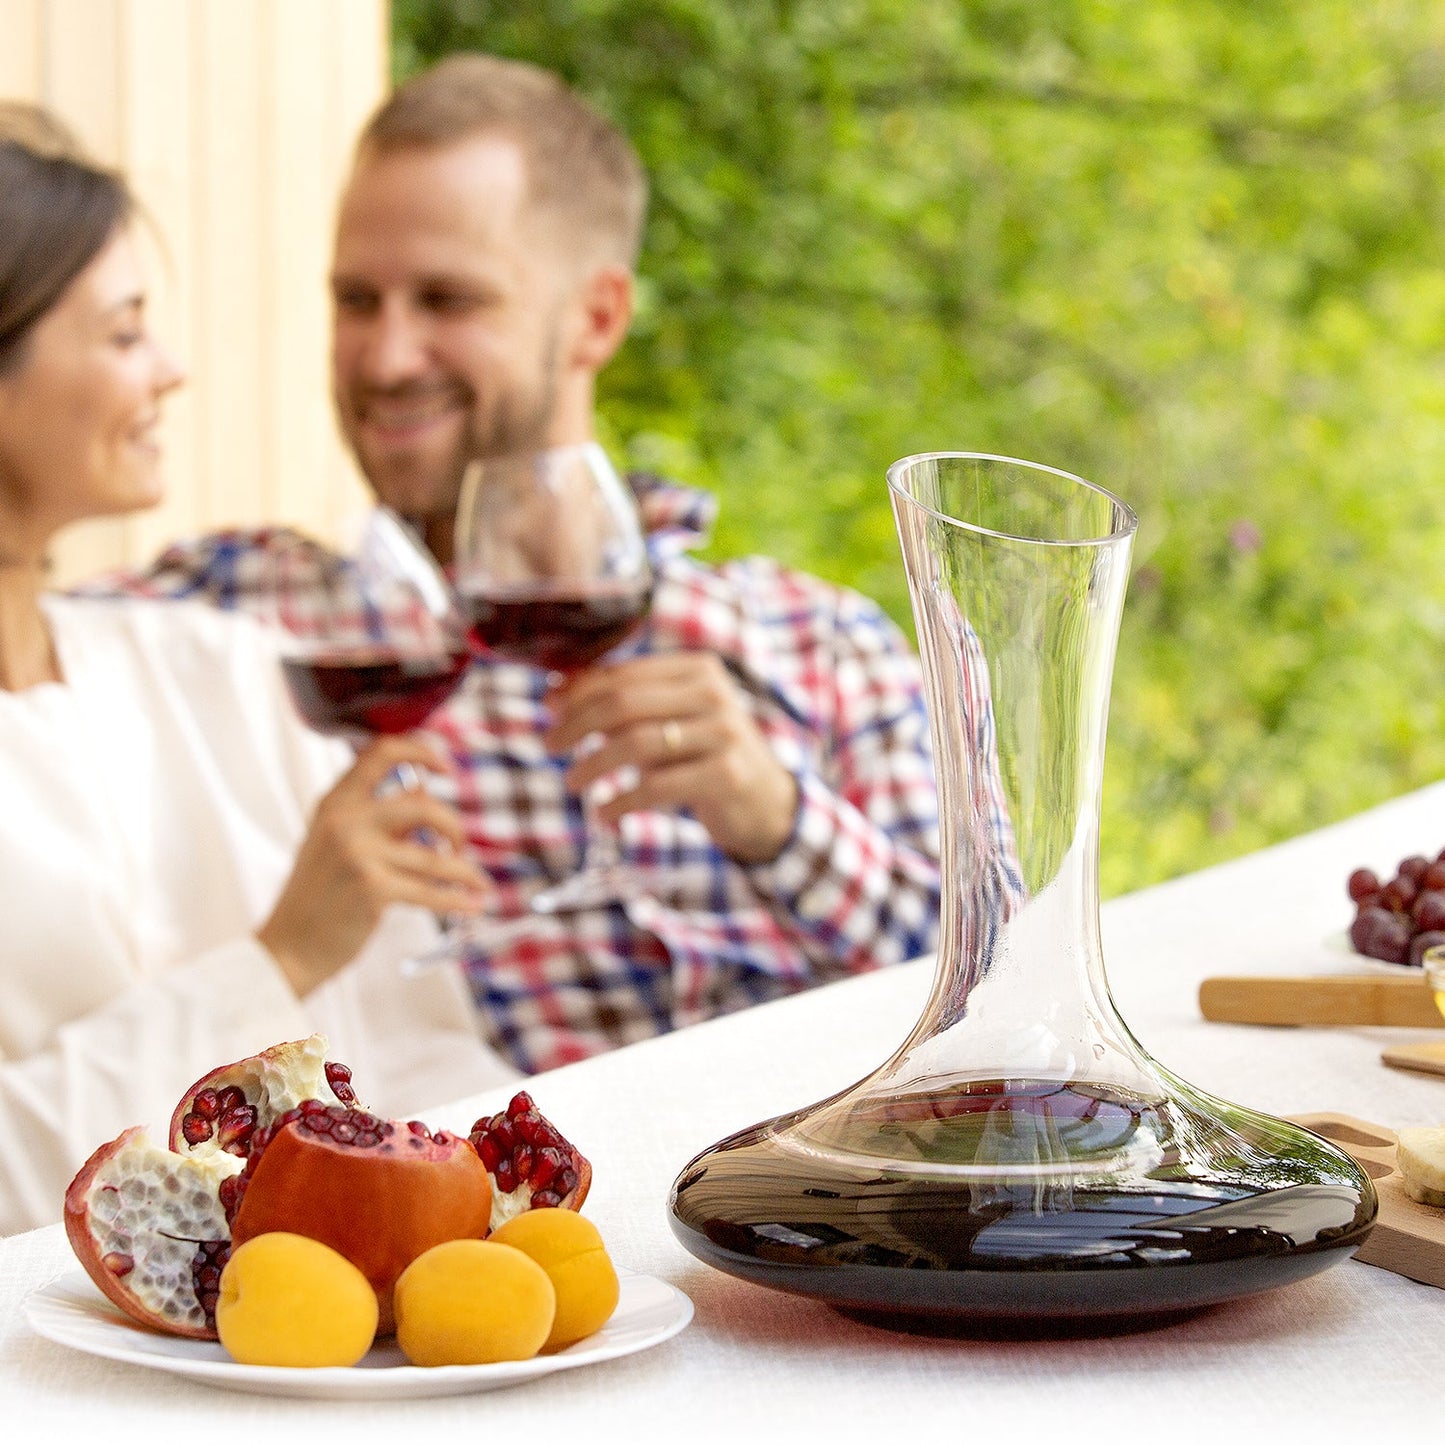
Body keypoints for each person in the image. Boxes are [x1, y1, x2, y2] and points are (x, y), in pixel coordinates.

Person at [94, 54, 947, 1075]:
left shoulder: (819, 642)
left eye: (446, 300)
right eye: (357, 300)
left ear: (595, 318)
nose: (385, 358)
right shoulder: (237, 617)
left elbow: (1001, 990)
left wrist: (781, 822)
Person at [0, 103, 515, 1236]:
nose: (171, 370)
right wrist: (280, 958)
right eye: (125, 332)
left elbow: (424, 1057)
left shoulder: (222, 673)